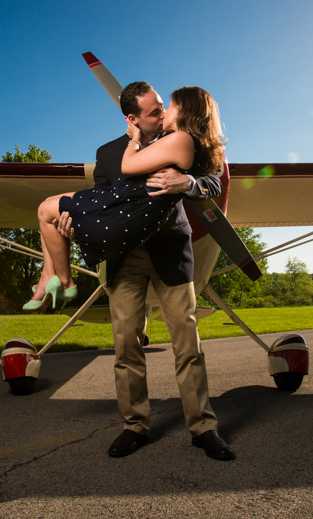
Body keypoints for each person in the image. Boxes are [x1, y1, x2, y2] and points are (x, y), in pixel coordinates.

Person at [36, 82, 235, 460]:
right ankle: (134, 425)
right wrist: (72, 227)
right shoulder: (108, 153)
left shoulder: (182, 139)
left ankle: (204, 427)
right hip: (125, 259)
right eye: (154, 109)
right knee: (126, 346)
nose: (161, 113)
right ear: (132, 118)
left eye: (163, 106)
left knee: (187, 345)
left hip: (171, 252)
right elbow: (100, 206)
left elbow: (212, 176)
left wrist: (187, 182)